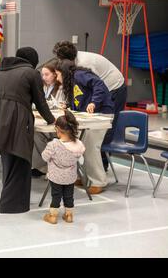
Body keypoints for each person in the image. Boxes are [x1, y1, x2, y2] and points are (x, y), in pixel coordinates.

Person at [0, 47, 55, 214]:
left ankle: (9, 202)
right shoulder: (31, 72)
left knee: (9, 162)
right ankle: (13, 205)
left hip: (0, 120)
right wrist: (52, 120)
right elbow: (40, 101)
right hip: (18, 120)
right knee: (20, 161)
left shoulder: (1, 71)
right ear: (32, 60)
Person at [53, 41, 127, 170]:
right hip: (102, 87)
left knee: (105, 127)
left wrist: (93, 102)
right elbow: (77, 90)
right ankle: (89, 168)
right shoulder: (72, 65)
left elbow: (97, 86)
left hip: (115, 86)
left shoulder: (83, 65)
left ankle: (102, 163)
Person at [55, 59, 114, 195]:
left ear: (64, 72)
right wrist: (68, 106)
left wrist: (94, 102)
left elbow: (98, 84)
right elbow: (79, 98)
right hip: (93, 116)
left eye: (58, 74)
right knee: (83, 146)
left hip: (102, 114)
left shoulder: (79, 74)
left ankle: (98, 181)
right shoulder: (72, 81)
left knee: (91, 147)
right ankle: (86, 178)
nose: (57, 79)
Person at [42, 110, 85, 225]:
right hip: (70, 177)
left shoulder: (54, 145)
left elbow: (44, 157)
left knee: (56, 196)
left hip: (56, 176)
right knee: (69, 196)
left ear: (58, 130)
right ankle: (69, 215)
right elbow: (81, 157)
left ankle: (53, 216)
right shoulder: (78, 144)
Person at [32, 58, 67, 178]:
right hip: (47, 122)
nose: (44, 77)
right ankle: (42, 166)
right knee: (35, 133)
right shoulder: (43, 87)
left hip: (58, 124)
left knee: (42, 135)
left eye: (47, 74)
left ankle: (52, 165)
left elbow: (62, 105)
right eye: (42, 74)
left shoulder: (61, 89)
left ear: (55, 74)